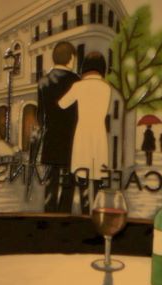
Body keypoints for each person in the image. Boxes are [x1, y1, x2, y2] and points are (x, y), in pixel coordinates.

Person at [59, 52, 117, 197]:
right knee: (98, 177)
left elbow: (62, 104)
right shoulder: (106, 87)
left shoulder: (78, 86)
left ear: (84, 67)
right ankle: (97, 205)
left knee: (82, 175)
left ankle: (85, 207)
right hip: (99, 134)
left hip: (82, 134)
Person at [36, 42, 80, 214]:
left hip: (51, 139)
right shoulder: (76, 81)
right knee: (69, 183)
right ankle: (64, 215)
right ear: (71, 58)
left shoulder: (43, 82)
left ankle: (49, 216)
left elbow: (41, 115)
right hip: (71, 140)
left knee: (50, 184)